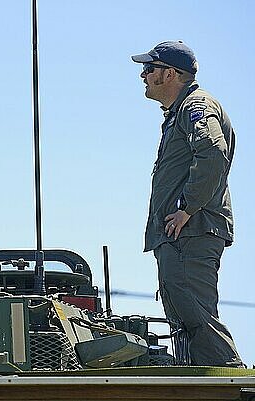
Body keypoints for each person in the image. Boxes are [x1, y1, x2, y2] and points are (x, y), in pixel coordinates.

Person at [131, 41, 243, 367]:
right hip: (181, 234)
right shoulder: (180, 112)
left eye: (149, 69)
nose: (143, 75)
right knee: (185, 319)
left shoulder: (196, 107)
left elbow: (212, 152)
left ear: (170, 74)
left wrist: (187, 208)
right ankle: (201, 380)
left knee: (196, 316)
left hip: (191, 232)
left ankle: (229, 382)